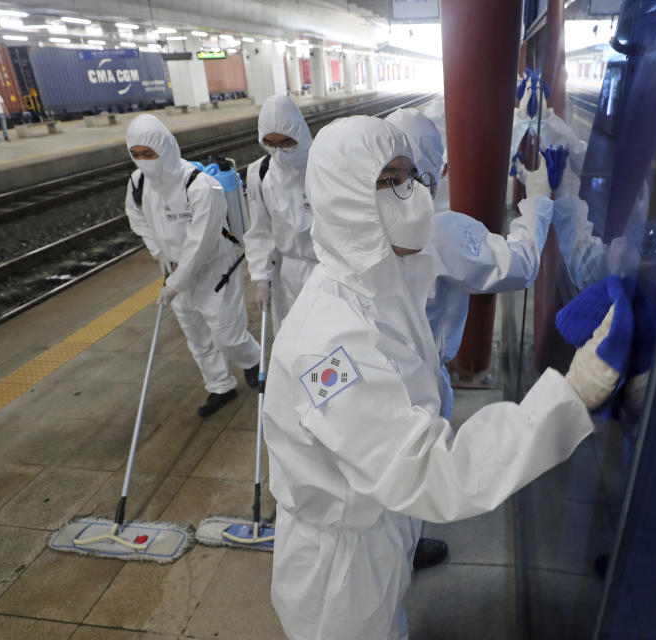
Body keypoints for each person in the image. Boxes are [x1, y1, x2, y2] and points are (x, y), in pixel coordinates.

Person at [263, 115, 619, 640]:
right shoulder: (325, 347)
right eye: (390, 182)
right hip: (340, 565)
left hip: (378, 518)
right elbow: (432, 470)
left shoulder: (382, 277)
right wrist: (569, 395)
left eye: (412, 177)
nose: (414, 196)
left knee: (390, 621)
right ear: (345, 202)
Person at [386, 108, 551, 421]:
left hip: (372, 383)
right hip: (422, 390)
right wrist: (538, 201)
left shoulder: (358, 225)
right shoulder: (443, 234)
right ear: (440, 171)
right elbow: (521, 265)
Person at [123, 114, 261, 417]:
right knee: (197, 337)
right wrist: (158, 251)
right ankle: (220, 386)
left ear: (166, 148)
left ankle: (254, 360)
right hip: (174, 269)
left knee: (227, 335)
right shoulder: (138, 182)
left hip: (214, 269)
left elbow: (200, 245)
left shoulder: (201, 187)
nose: (143, 161)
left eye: (149, 154)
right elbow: (137, 217)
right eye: (137, 155)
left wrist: (175, 284)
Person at [244, 95, 318, 333]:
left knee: (323, 337)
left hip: (325, 270)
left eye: (287, 143)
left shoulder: (323, 164)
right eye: (271, 144)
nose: (280, 152)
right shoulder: (260, 173)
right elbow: (260, 230)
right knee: (288, 336)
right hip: (285, 272)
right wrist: (261, 277)